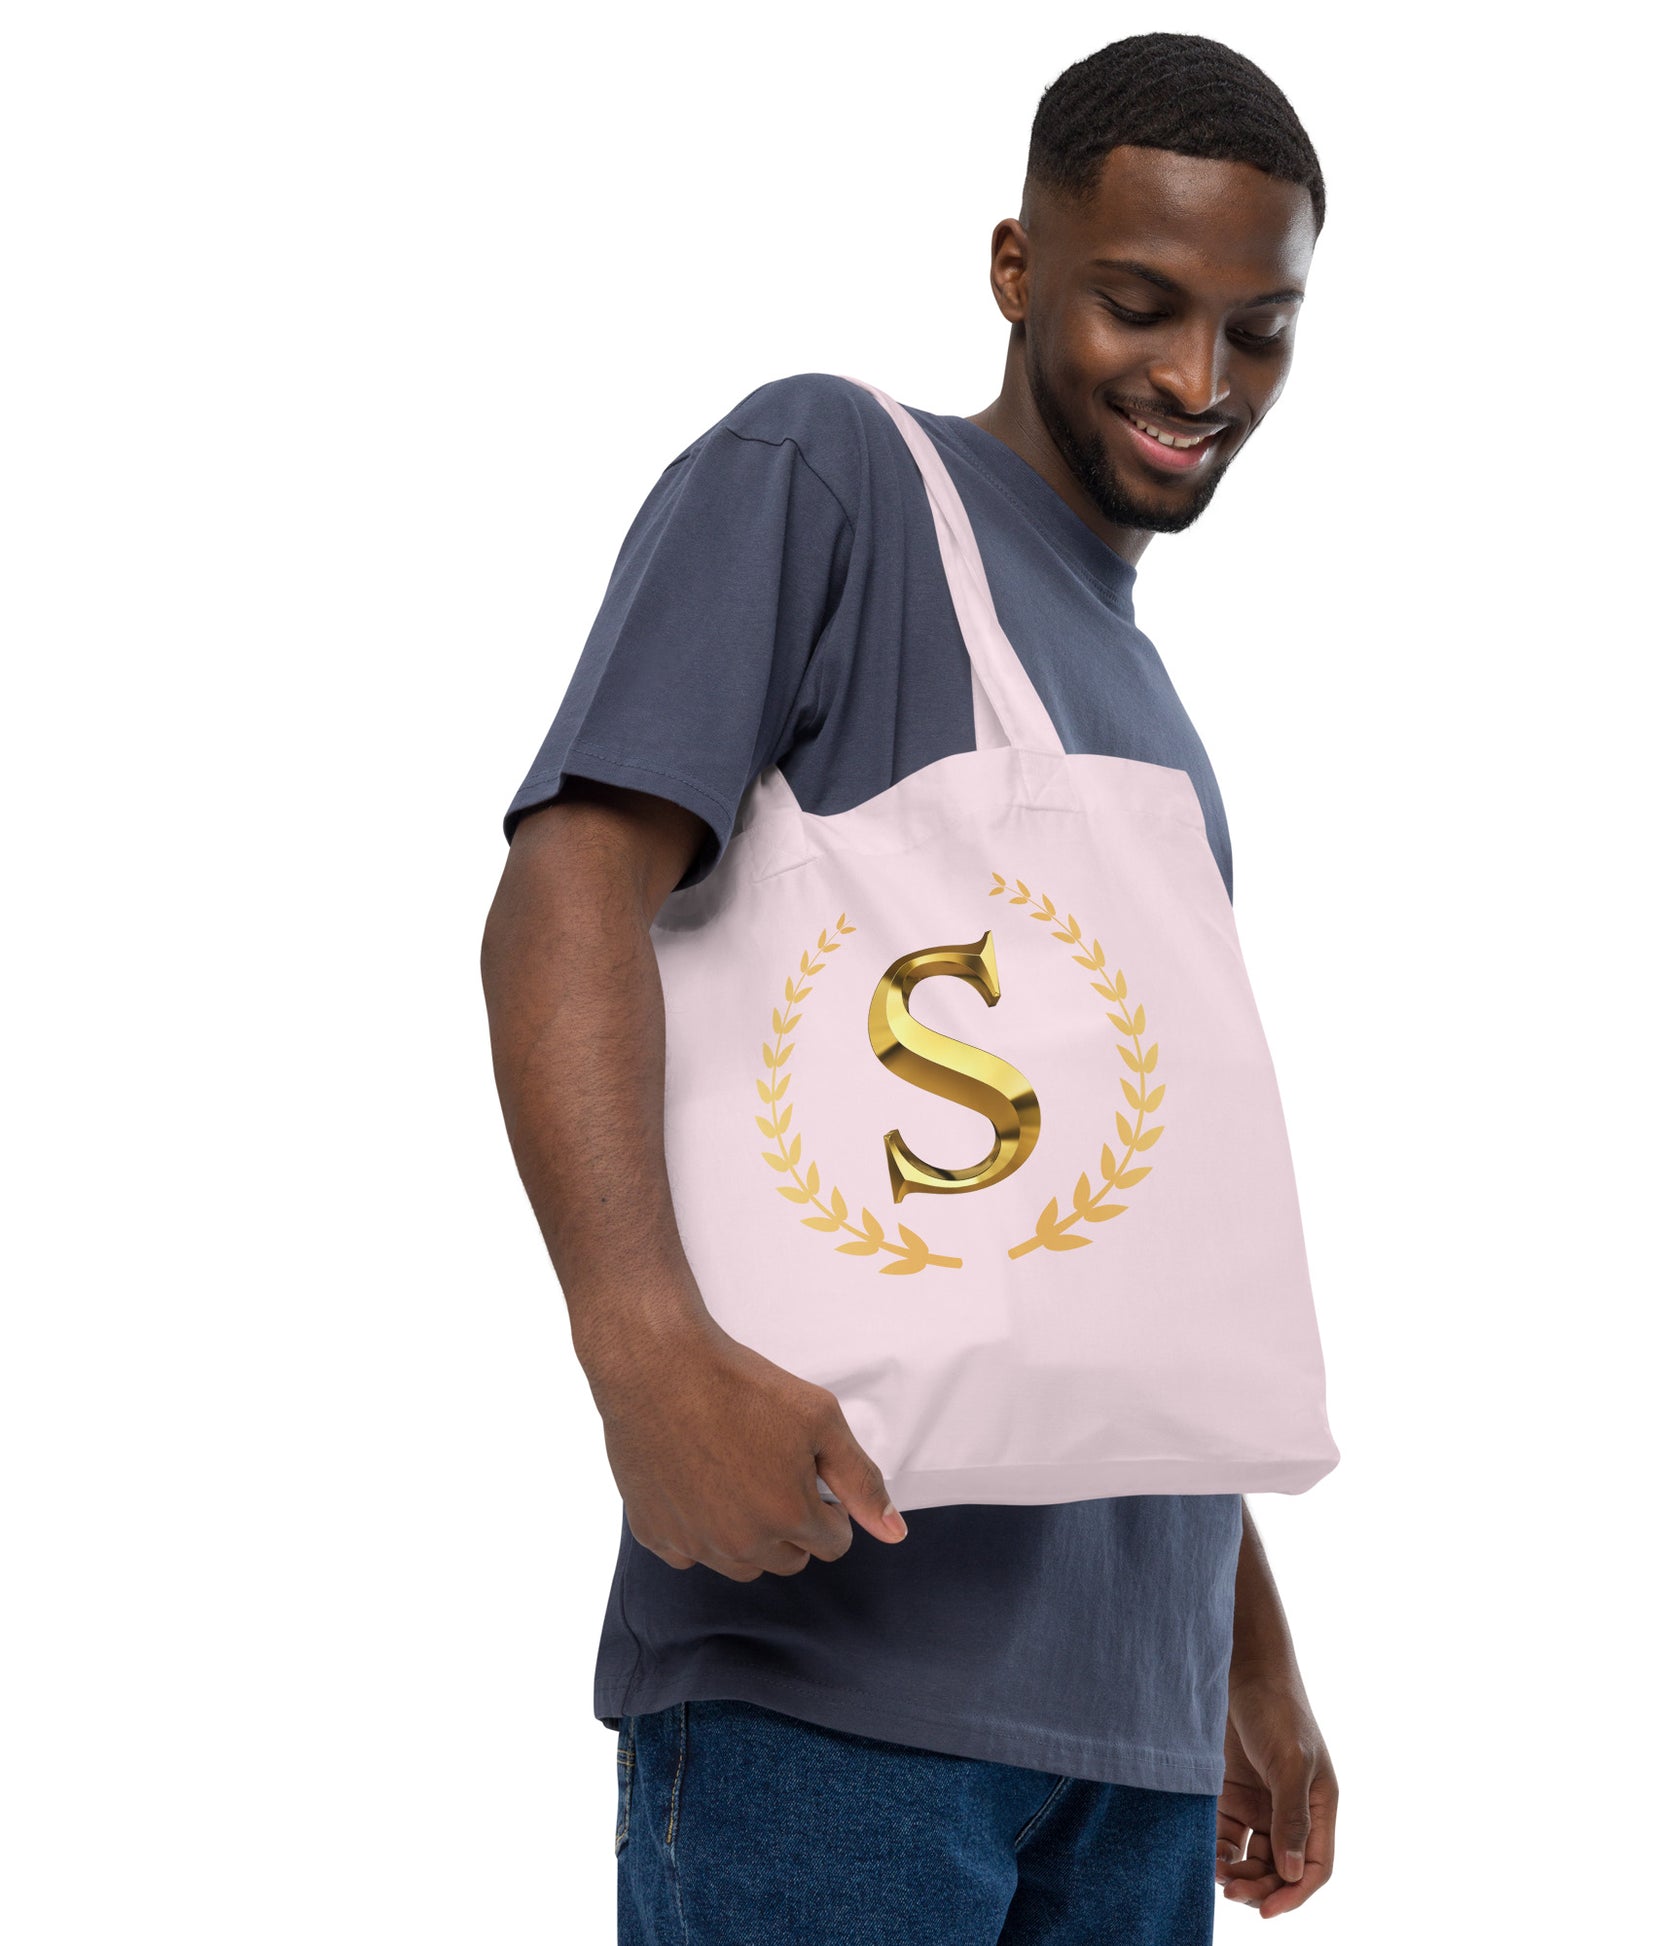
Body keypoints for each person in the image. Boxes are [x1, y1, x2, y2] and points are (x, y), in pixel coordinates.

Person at [481, 31, 1338, 1942]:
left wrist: (1241, 1643)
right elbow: (567, 887)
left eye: (1260, 330)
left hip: (1129, 1726)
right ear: (1016, 265)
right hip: (832, 1677)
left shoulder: (1155, 715)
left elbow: (1124, 1230)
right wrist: (639, 1345)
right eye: (1141, 304)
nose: (1199, 380)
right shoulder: (830, 475)